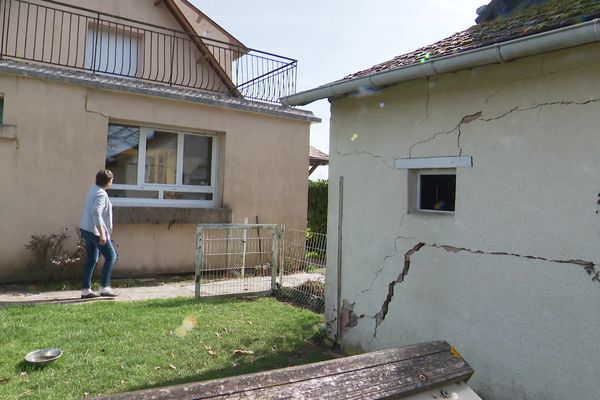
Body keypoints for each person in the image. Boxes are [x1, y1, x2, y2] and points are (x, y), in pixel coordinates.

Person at [79, 169, 117, 299]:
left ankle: (85, 290)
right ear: (108, 181)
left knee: (92, 259)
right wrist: (102, 234)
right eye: (112, 179)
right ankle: (104, 288)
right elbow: (96, 213)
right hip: (95, 231)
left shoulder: (93, 189)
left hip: (86, 229)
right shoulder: (101, 194)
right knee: (111, 256)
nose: (113, 181)